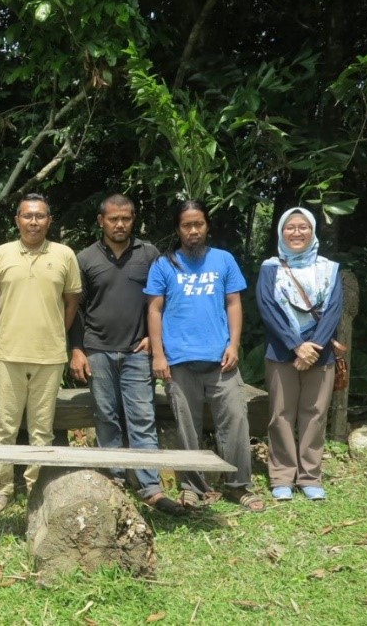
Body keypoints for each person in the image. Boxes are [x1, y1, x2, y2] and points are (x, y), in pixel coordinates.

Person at [69, 194, 186, 516]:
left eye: (126, 218)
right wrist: (77, 349)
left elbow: (164, 299)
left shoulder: (148, 254)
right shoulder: (85, 258)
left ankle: (150, 487)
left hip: (138, 352)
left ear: (133, 220)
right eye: (113, 219)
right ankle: (114, 480)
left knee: (142, 419)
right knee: (106, 418)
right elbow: (75, 309)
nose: (120, 224)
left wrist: (153, 337)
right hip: (98, 351)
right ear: (101, 221)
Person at [145, 200, 265, 512]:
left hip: (221, 359)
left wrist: (234, 345)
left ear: (207, 226)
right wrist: (159, 355)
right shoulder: (164, 264)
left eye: (198, 224)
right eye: (187, 225)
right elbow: (154, 309)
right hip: (179, 360)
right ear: (178, 229)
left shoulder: (223, 260)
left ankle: (239, 486)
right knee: (187, 426)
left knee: (235, 421)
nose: (193, 230)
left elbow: (234, 304)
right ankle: (192, 487)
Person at [0, 193, 82, 518]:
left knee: (42, 430)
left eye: (40, 216)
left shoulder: (65, 255)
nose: (34, 222)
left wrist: (55, 331)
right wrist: (9, 326)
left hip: (50, 356)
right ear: (17, 220)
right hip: (9, 353)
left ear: (49, 220)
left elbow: (71, 303)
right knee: (5, 427)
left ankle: (36, 491)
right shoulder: (0, 255)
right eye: (28, 216)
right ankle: (1, 491)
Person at [256, 207, 343, 501]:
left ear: (312, 231)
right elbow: (267, 307)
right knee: (280, 414)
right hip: (282, 351)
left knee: (315, 414)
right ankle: (282, 476)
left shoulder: (330, 269)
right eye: (290, 227)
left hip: (320, 353)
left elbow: (334, 310)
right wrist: (296, 345)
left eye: (303, 227)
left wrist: (313, 347)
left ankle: (310, 476)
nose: (296, 232)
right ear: (281, 232)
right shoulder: (270, 267)